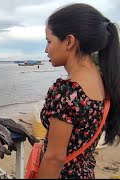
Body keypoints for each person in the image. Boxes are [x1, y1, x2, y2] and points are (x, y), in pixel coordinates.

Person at [38, 3, 120, 179]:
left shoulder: (67, 92)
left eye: (49, 41)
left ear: (69, 41)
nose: (46, 49)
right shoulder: (104, 81)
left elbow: (54, 159)